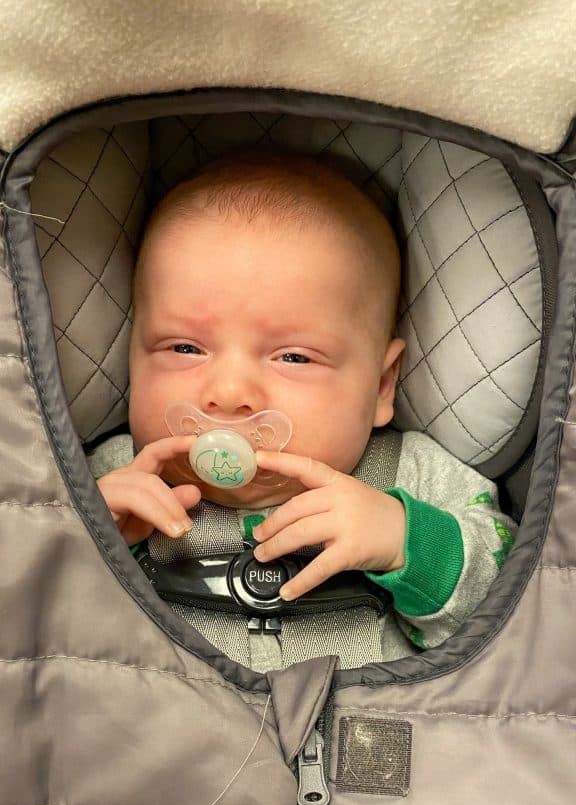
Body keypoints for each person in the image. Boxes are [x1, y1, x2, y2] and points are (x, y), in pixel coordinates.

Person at [88, 149, 516, 667]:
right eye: (185, 348)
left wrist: (405, 542)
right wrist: (84, 541)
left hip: (363, 740)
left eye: (293, 356)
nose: (227, 392)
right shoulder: (106, 482)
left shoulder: (420, 476)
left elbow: (519, 609)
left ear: (381, 386)